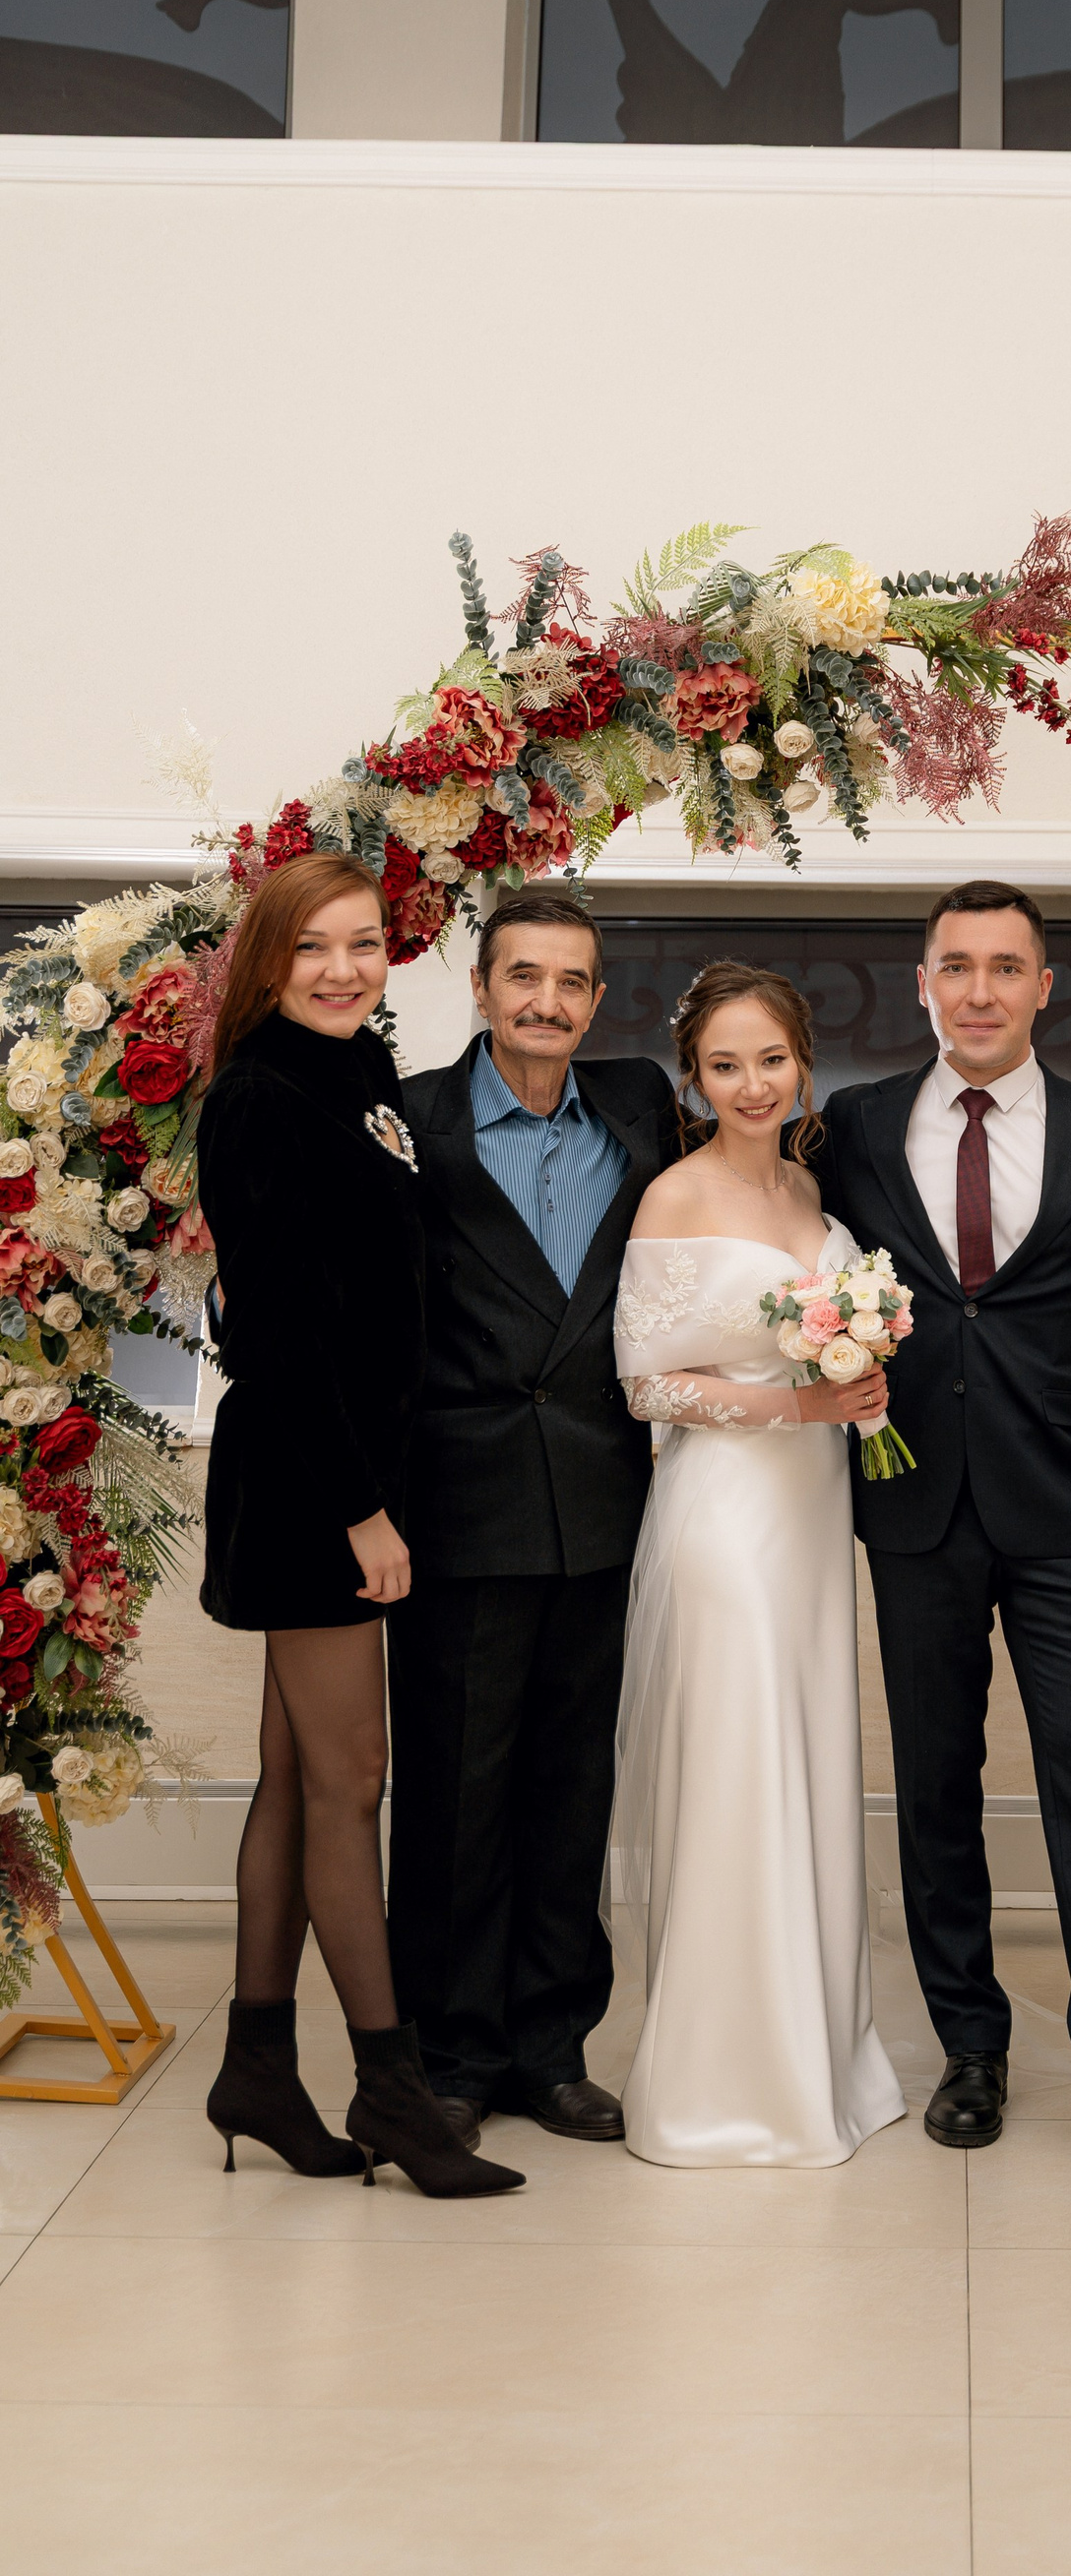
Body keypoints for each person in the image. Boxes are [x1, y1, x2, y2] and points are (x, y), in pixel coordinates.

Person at [819, 882, 1071, 2193]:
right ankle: (970, 2051)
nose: (979, 990)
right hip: (912, 1508)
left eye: (1004, 967)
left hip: (1070, 1518)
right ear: (923, 983)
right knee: (935, 1787)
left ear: (1045, 985)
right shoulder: (856, 1127)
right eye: (956, 966)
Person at [197, 852, 522, 2199]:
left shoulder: (364, 1071)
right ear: (268, 962)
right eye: (313, 947)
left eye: (365, 942)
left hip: (353, 1476)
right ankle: (392, 2087)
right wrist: (363, 1513)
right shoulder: (257, 1096)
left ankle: (257, 2067)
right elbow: (278, 1332)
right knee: (352, 1779)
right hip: (310, 1486)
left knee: (294, 1774)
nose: (343, 968)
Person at [604, 960, 906, 2166]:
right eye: (723, 1066)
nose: (750, 1085)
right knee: (741, 1764)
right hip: (727, 1517)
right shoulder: (675, 1196)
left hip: (811, 1517)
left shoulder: (809, 1189)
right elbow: (645, 1385)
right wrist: (800, 1408)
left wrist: (856, 1385)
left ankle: (819, 2056)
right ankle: (725, 2085)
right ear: (693, 1077)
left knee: (809, 1753)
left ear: (803, 1064)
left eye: (769, 1060)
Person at [388, 889, 675, 2146]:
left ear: (597, 1001)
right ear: (481, 987)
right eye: (523, 976)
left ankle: (552, 2049)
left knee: (571, 1789)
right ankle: (452, 2055)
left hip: (605, 1507)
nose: (546, 1002)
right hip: (459, 1508)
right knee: (455, 1796)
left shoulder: (639, 1107)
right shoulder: (409, 1120)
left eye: (570, 981)